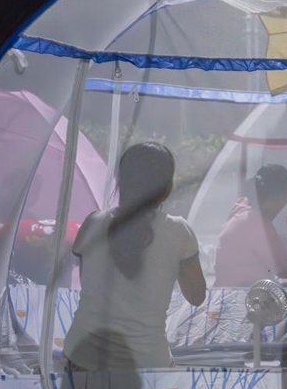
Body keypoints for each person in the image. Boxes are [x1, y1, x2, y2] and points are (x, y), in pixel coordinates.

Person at [64, 142, 206, 370]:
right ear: (167, 188)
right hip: (147, 365)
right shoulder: (179, 232)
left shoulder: (93, 223)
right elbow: (197, 296)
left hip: (84, 360)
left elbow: (88, 282)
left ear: (120, 182)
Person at [213, 164, 287, 287]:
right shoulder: (258, 226)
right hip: (243, 298)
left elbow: (269, 208)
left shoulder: (241, 206)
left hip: (226, 294)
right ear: (277, 197)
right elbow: (286, 271)